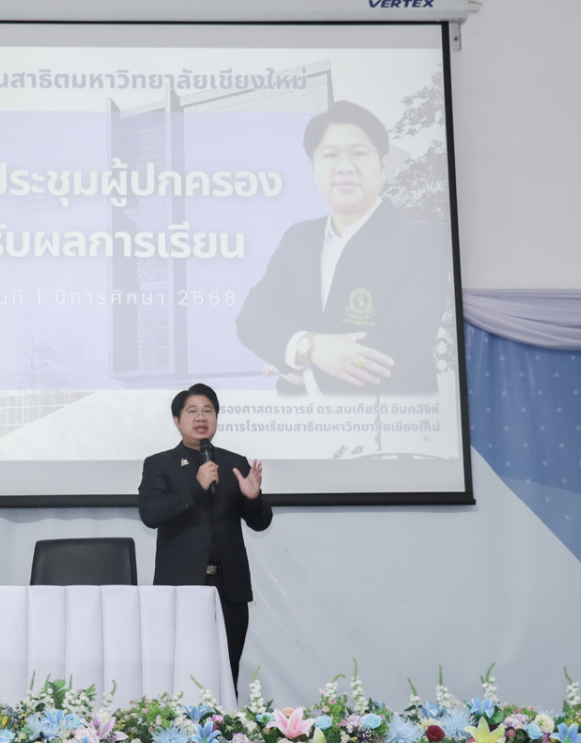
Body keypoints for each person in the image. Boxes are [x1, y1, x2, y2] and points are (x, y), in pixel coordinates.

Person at [235, 100, 451, 396]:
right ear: (312, 167)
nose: (345, 168)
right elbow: (253, 318)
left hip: (388, 417)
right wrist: (310, 348)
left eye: (359, 154)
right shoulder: (297, 239)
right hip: (296, 420)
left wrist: (296, 360)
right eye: (330, 155)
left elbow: (403, 345)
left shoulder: (422, 241)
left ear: (383, 163)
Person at [137, 383, 272, 694]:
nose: (201, 417)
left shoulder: (235, 463)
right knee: (180, 673)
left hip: (229, 588)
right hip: (181, 586)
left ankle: (225, 724)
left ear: (216, 418)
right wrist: (196, 487)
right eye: (192, 411)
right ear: (177, 420)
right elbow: (151, 514)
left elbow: (261, 522)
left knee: (227, 671)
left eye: (208, 410)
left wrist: (253, 498)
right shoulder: (160, 464)